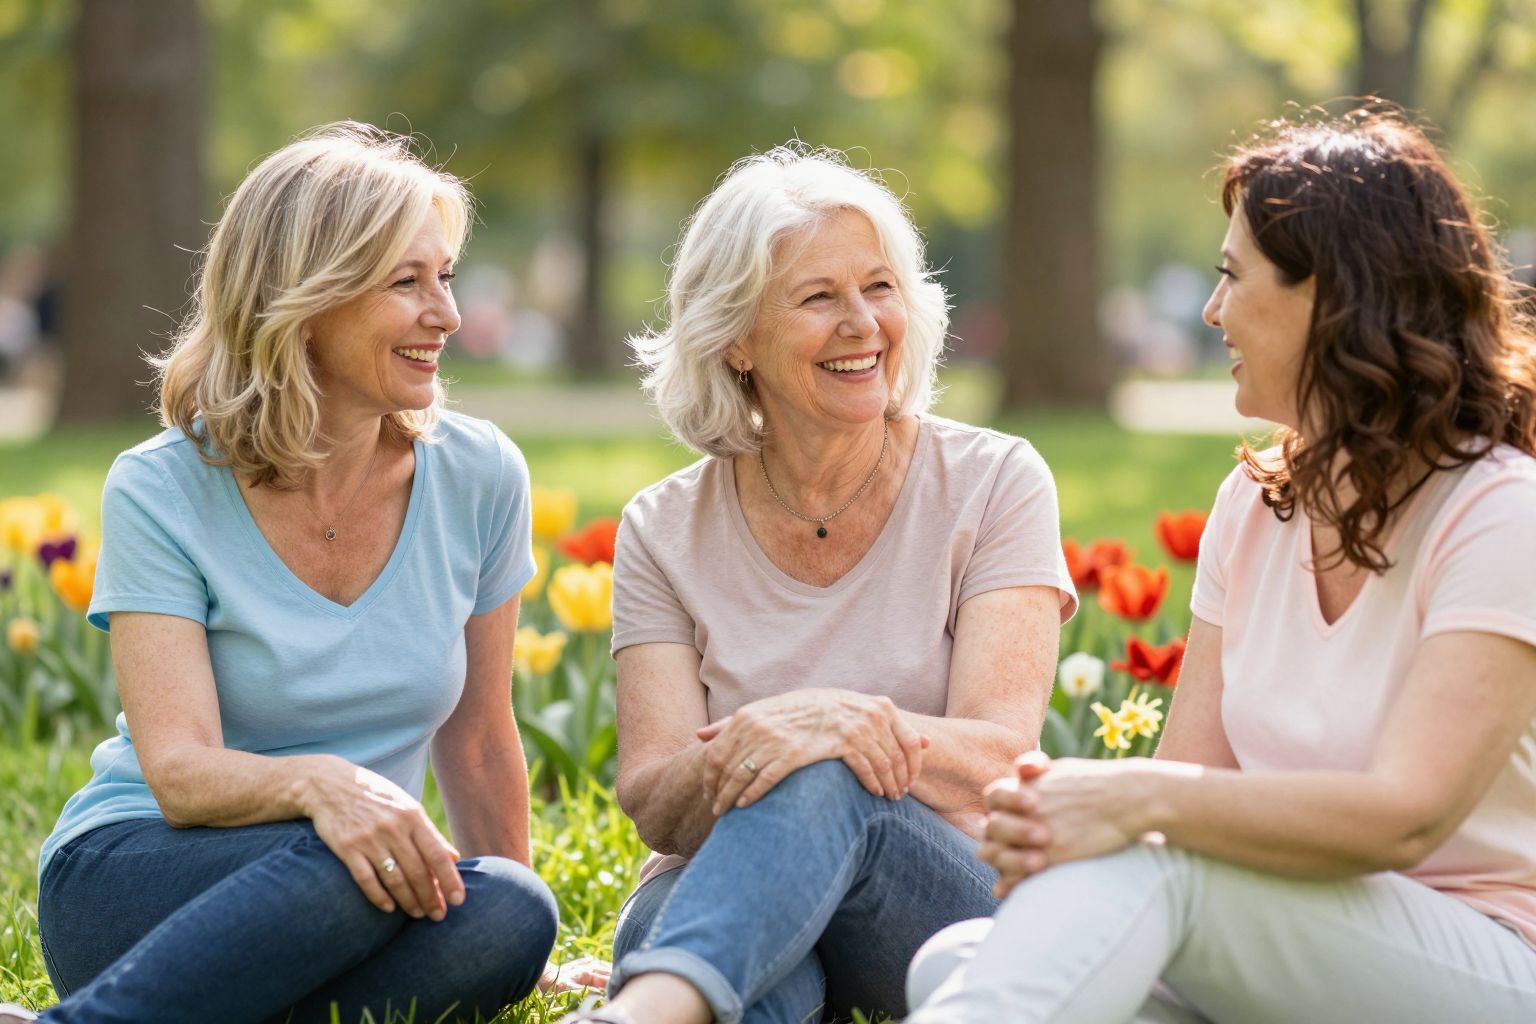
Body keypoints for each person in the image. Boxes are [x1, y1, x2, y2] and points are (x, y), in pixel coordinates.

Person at [905, 106, 1536, 1023]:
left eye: (1233, 277)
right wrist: (1092, 819)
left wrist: (1123, 796)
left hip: (1487, 958)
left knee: (1132, 882)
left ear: (1333, 297)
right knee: (955, 960)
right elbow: (1193, 777)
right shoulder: (1255, 504)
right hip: (1289, 940)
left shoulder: (1501, 513)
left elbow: (1408, 815)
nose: (1211, 313)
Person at [16, 124, 561, 1024]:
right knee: (343, 861)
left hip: (358, 884)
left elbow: (476, 739)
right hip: (144, 873)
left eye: (446, 277)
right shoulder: (161, 487)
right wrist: (322, 787)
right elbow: (180, 772)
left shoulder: (480, 475)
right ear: (305, 300)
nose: (448, 315)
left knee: (513, 911)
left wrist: (521, 956)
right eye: (406, 283)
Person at [556, 145, 1077, 1024]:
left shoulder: (996, 481)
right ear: (735, 338)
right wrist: (767, 742)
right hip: (712, 885)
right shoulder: (663, 526)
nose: (863, 324)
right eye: (818, 298)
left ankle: (640, 1013)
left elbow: (997, 758)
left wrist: (836, 731)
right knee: (767, 981)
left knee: (833, 775)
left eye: (879, 288)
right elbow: (654, 800)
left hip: (932, 903)